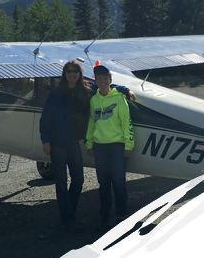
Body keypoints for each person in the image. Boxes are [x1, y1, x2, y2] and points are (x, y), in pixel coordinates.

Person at [39, 62, 135, 233]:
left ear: (80, 73)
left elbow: (105, 85)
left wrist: (124, 89)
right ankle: (68, 218)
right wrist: (45, 140)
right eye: (69, 71)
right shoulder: (56, 91)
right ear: (64, 73)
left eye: (75, 71)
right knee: (61, 182)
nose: (72, 74)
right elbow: (45, 116)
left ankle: (71, 214)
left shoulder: (86, 89)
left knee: (78, 180)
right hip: (57, 142)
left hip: (73, 142)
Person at [85, 65, 135, 231]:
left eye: (105, 78)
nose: (103, 81)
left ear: (110, 80)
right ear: (96, 81)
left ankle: (121, 214)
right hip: (100, 147)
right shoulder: (94, 100)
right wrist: (89, 143)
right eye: (99, 79)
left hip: (117, 147)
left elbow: (126, 122)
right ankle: (104, 214)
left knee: (119, 183)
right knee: (103, 184)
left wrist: (128, 145)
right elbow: (92, 123)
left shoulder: (120, 98)